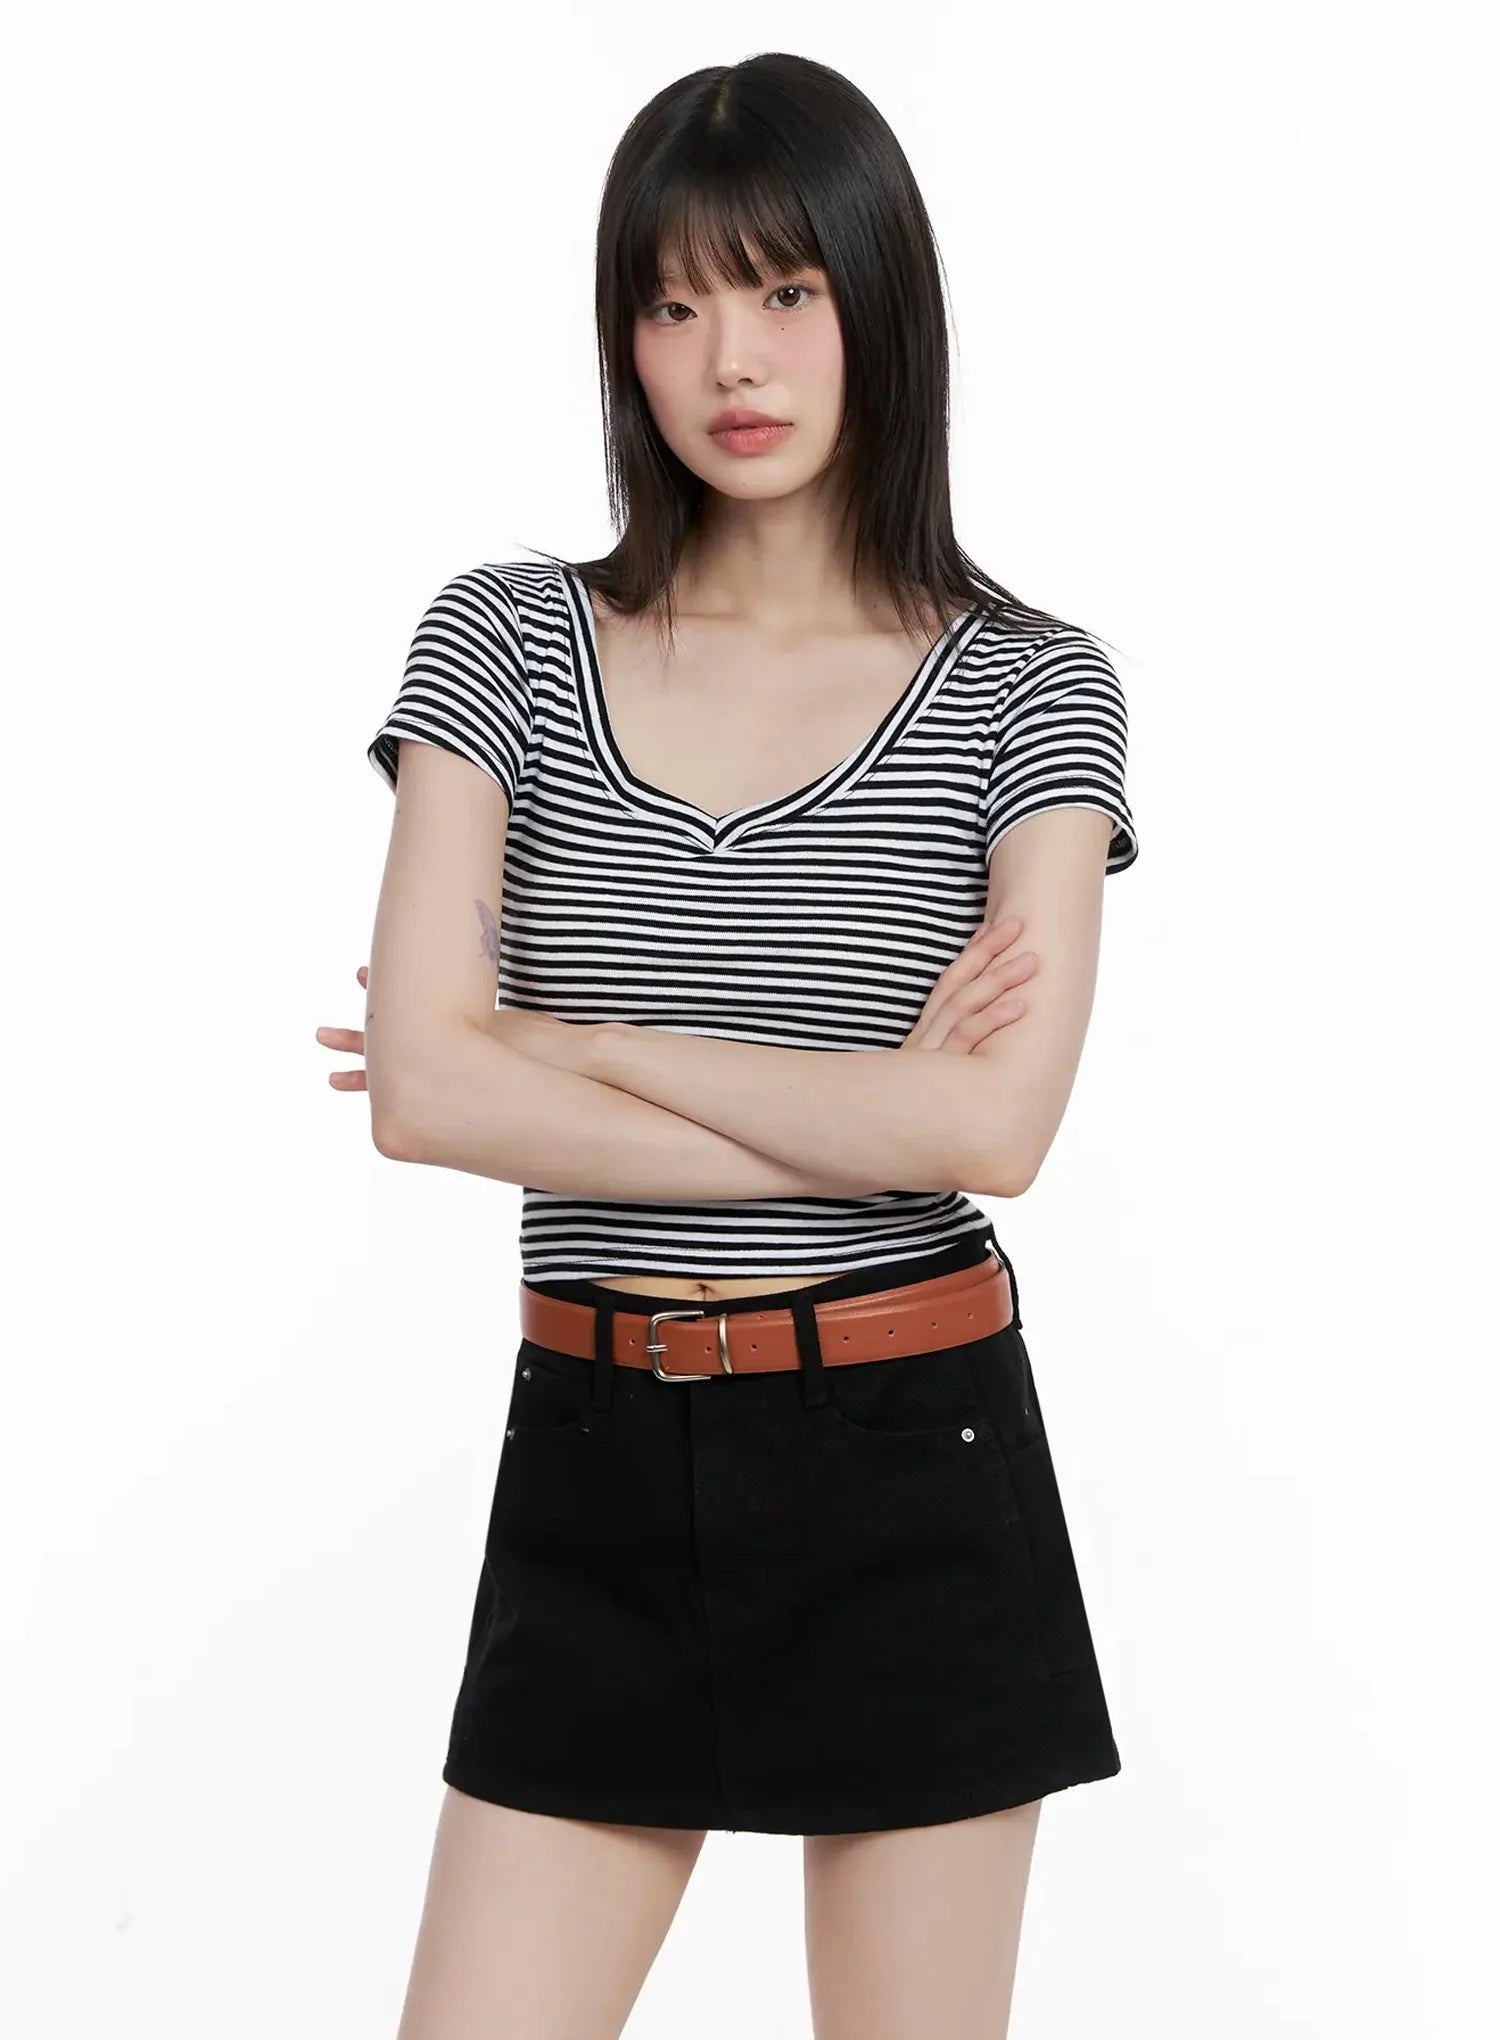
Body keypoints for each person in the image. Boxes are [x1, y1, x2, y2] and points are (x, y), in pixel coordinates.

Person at [316, 50, 1139, 2040]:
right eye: (673, 304)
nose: (731, 360)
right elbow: (424, 1093)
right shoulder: (504, 642)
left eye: (783, 291)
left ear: (879, 302)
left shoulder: (1032, 689)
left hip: (911, 1447)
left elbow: (1000, 1134)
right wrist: (873, 1112)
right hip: (597, 1450)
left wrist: (576, 1038)